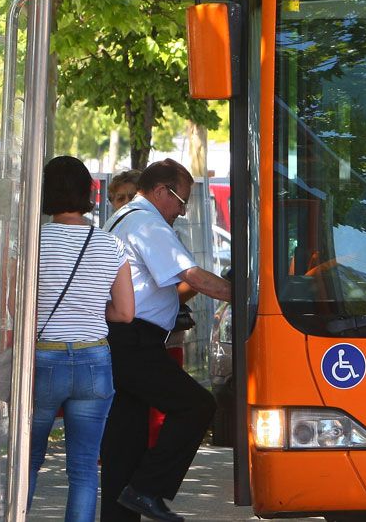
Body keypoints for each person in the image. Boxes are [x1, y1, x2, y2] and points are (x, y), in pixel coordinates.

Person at [101, 158, 232, 522]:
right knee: (197, 406)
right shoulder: (147, 223)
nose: (182, 210)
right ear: (160, 191)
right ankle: (147, 489)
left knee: (124, 443)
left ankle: (122, 510)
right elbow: (193, 277)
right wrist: (248, 296)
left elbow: (173, 285)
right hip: (132, 339)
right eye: (180, 199)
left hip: (125, 339)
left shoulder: (124, 218)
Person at [29, 156, 135, 522]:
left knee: (28, 461)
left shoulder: (31, 241)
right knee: (84, 469)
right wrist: (90, 310)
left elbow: (15, 303)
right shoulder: (110, 245)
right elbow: (125, 312)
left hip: (43, 360)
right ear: (89, 192)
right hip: (94, 362)